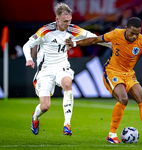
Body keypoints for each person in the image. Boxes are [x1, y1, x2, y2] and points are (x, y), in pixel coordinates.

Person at [65, 17, 142, 144]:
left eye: (137, 33)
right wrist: (74, 43)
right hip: (112, 72)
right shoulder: (116, 34)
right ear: (126, 28)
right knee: (123, 99)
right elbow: (95, 39)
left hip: (129, 74)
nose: (134, 36)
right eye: (132, 33)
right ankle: (111, 134)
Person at [23, 3, 111, 136]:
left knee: (67, 83)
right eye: (65, 21)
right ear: (57, 19)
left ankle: (67, 124)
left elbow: (93, 37)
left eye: (69, 21)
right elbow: (27, 45)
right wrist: (29, 59)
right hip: (45, 70)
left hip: (62, 65)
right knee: (45, 106)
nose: (67, 24)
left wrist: (111, 44)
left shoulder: (73, 29)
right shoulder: (45, 30)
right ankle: (35, 117)